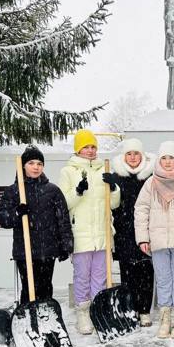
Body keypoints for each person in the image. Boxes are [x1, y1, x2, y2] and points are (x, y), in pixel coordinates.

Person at [58, 129, 121, 334]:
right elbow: (63, 204)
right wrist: (77, 191)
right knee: (82, 276)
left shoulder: (104, 169)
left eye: (93, 146)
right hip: (81, 234)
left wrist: (113, 188)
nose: (91, 150)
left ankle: (97, 310)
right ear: (78, 149)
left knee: (100, 277)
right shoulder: (68, 171)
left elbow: (114, 204)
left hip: (102, 234)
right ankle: (83, 314)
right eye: (86, 147)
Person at [134, 141, 174, 338]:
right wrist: (143, 238)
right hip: (158, 240)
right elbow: (141, 210)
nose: (168, 162)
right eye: (164, 158)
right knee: (162, 280)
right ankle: (165, 320)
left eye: (171, 158)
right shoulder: (150, 183)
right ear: (159, 160)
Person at [0, 146, 73, 306]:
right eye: (31, 163)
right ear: (23, 165)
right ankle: (28, 319)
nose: (36, 167)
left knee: (45, 288)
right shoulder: (14, 191)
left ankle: (46, 319)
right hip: (24, 250)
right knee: (29, 289)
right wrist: (17, 213)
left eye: (39, 163)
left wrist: (66, 245)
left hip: (48, 249)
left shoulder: (53, 191)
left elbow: (63, 219)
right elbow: (3, 219)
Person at [110, 138, 156, 327]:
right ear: (124, 156)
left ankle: (144, 310)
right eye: (129, 153)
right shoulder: (117, 176)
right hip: (124, 231)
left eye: (136, 153)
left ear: (142, 155)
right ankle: (130, 310)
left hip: (147, 229)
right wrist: (112, 188)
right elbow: (113, 206)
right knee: (127, 274)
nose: (133, 157)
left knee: (146, 271)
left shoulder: (151, 175)